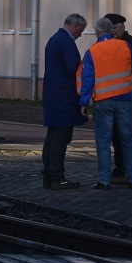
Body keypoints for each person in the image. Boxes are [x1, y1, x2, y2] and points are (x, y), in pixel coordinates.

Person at [79, 16, 132, 189]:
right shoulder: (126, 46)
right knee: (128, 140)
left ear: (97, 32)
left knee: (103, 142)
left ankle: (104, 181)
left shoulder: (93, 51)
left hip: (103, 101)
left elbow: (88, 79)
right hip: (126, 99)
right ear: (111, 30)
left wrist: (83, 102)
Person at [41, 13, 86, 190]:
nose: (80, 34)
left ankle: (49, 177)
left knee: (52, 138)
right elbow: (74, 68)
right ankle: (57, 178)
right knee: (60, 138)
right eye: (81, 30)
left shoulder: (54, 39)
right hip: (64, 97)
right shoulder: (66, 42)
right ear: (75, 26)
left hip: (53, 95)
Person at [105, 13, 132, 184]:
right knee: (116, 131)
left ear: (122, 26)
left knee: (129, 131)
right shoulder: (110, 43)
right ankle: (120, 167)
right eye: (110, 28)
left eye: (114, 28)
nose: (112, 31)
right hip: (117, 93)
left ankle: (129, 168)